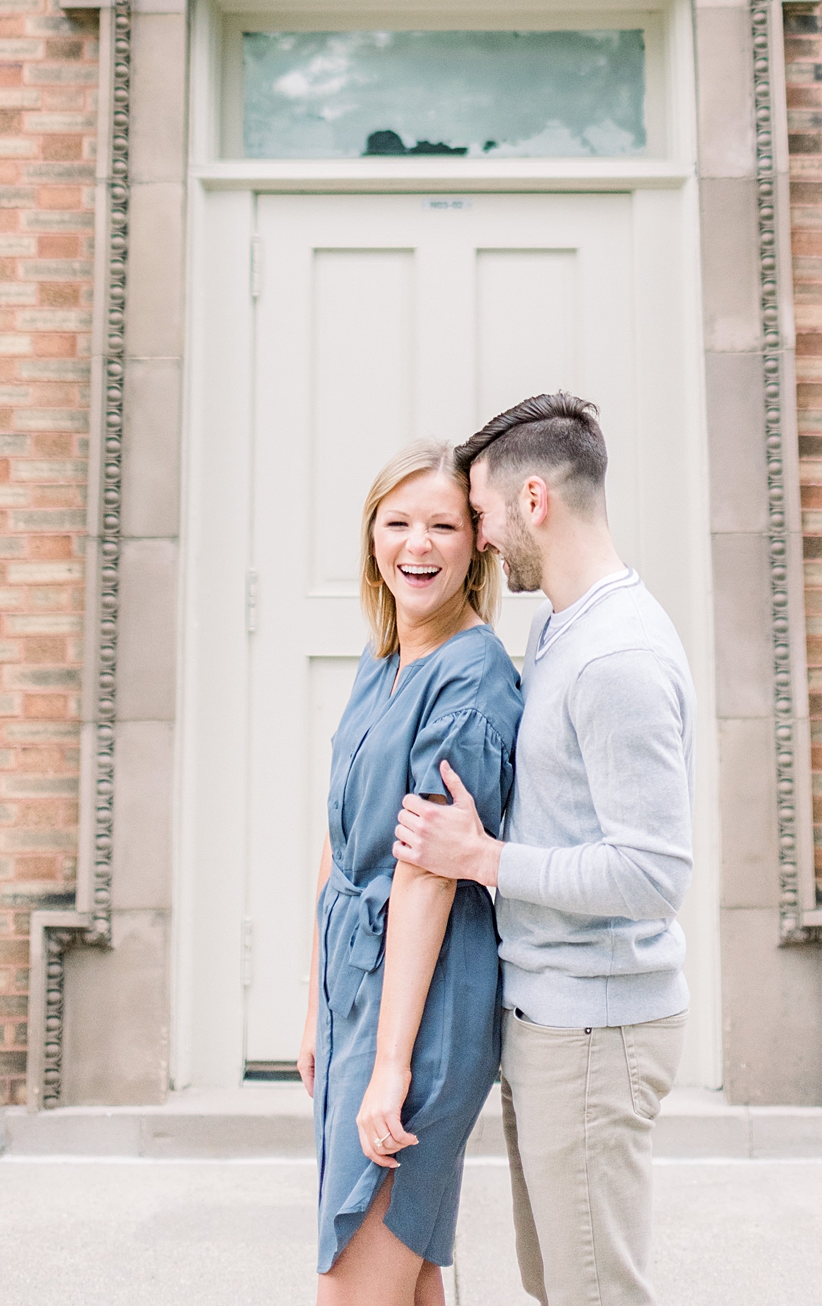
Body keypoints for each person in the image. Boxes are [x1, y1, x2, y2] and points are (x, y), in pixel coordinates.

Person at [392, 393, 696, 1306]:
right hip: (552, 1018)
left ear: (533, 502)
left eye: (478, 516)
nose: (477, 540)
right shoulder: (558, 628)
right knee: (558, 1282)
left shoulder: (617, 659)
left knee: (595, 1290)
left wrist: (483, 859)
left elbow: (653, 874)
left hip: (596, 1026)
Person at [301, 438, 523, 1306]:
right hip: (360, 991)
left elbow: (428, 875)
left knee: (355, 1271)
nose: (417, 545)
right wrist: (318, 1002)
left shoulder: (472, 682)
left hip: (426, 1005)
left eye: (442, 524)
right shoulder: (385, 656)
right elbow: (336, 831)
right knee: (402, 1273)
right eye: (397, 523)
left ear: (477, 544)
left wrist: (391, 1064)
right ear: (371, 538)